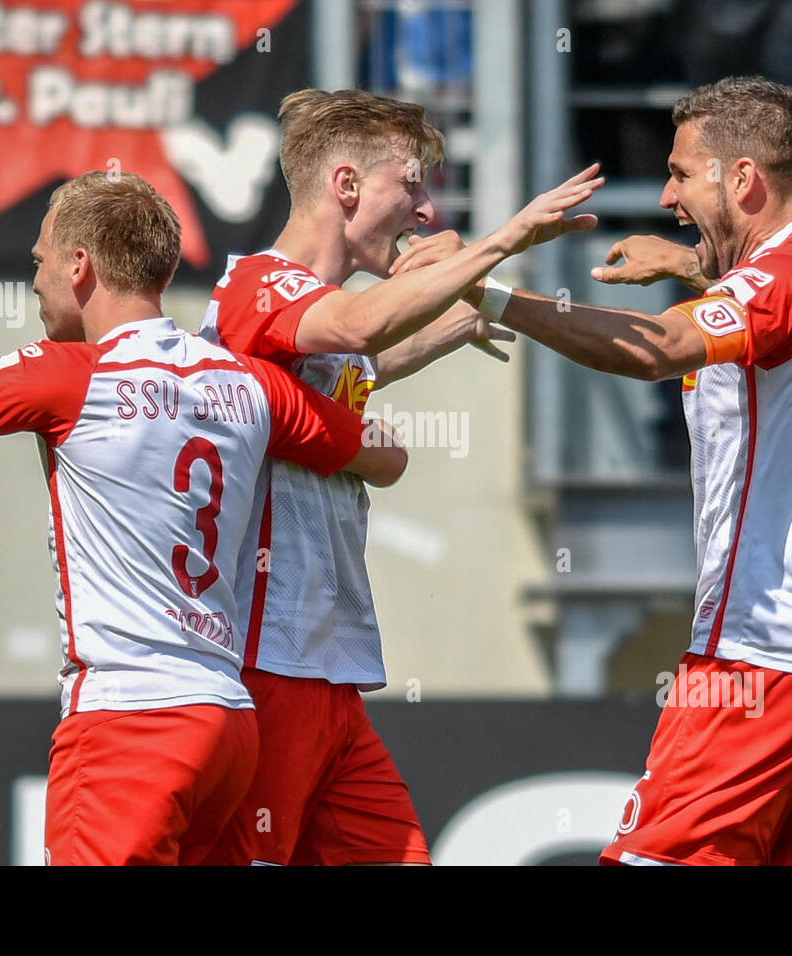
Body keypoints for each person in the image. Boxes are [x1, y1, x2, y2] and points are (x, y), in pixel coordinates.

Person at [0, 171, 408, 865]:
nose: (34, 283)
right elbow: (383, 458)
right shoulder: (248, 383)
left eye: (39, 262)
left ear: (80, 266)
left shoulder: (70, 374)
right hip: (228, 723)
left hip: (130, 715)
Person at [428, 76, 792, 865]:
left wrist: (486, 291)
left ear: (742, 179)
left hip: (762, 651)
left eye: (682, 174)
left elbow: (657, 349)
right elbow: (781, 312)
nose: (669, 194)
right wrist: (691, 266)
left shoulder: (780, 284)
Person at [201, 88, 602, 866]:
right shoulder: (259, 282)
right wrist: (506, 238)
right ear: (345, 186)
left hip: (328, 671)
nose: (425, 212)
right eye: (410, 185)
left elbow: (353, 361)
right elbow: (356, 329)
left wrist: (465, 314)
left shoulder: (313, 315)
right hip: (265, 659)